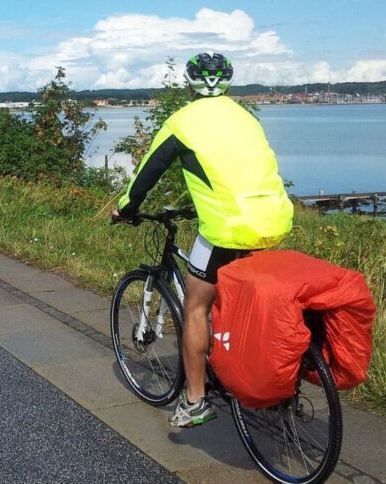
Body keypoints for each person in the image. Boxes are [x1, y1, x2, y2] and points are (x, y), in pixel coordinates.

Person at [112, 52, 294, 428]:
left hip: (228, 227)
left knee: (196, 306)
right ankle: (268, 376)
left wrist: (125, 209)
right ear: (228, 82)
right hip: (274, 220)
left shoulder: (182, 121)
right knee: (248, 303)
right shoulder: (246, 117)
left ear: (189, 84)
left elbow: (146, 175)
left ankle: (194, 400)